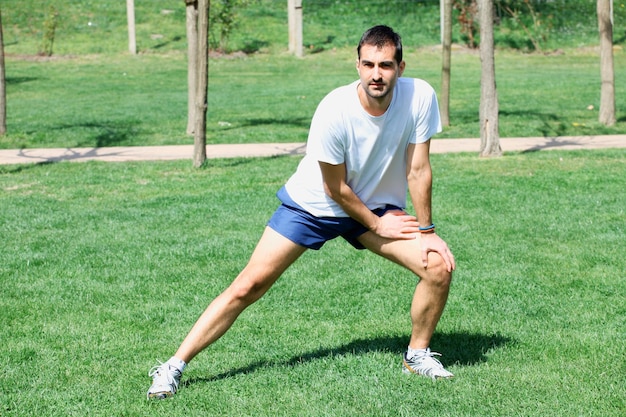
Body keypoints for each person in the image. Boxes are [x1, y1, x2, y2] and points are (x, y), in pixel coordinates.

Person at [147, 25, 456, 400]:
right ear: (356, 65)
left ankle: (417, 356)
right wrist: (377, 224)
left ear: (401, 67)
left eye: (386, 65)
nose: (377, 74)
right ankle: (173, 367)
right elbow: (334, 188)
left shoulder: (420, 96)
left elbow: (419, 169)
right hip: (316, 204)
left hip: (374, 205)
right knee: (249, 285)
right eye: (369, 64)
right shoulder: (333, 110)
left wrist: (427, 231)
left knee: (437, 265)